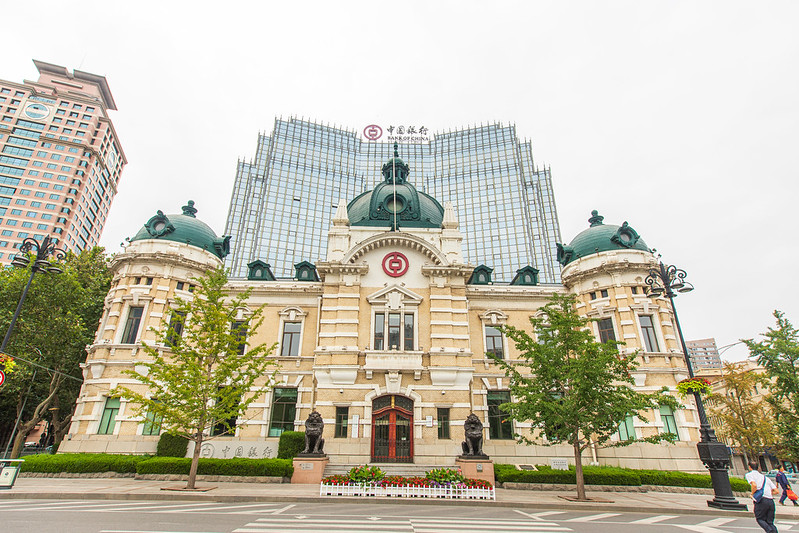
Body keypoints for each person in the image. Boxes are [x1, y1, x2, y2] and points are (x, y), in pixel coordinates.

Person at [746, 461, 780, 533]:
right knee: (770, 522)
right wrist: (769, 493)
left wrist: (752, 494)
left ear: (749, 467)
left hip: (761, 500)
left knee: (760, 519)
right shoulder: (765, 477)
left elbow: (754, 485)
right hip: (770, 501)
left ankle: (769, 531)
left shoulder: (749, 475)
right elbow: (776, 491)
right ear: (758, 467)